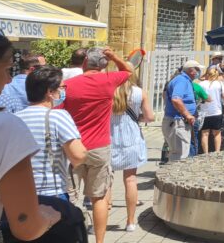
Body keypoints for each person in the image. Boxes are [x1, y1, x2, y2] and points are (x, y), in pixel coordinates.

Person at [0, 33, 62, 240]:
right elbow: (26, 225)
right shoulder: (5, 127)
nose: (9, 80)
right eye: (7, 69)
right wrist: (50, 216)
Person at [61, 47, 133, 243]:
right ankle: (99, 241)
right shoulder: (108, 80)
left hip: (73, 147)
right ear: (103, 65)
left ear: (84, 62)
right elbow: (128, 71)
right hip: (99, 147)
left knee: (70, 197)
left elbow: (58, 111)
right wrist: (114, 56)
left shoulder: (67, 85)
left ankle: (72, 238)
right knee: (99, 198)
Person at [16, 66, 88, 201]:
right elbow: (78, 155)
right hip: (52, 192)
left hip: (20, 193)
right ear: (50, 92)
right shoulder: (58, 116)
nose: (63, 92)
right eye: (61, 88)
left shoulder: (15, 118)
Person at [109, 72, 153, 232]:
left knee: (106, 182)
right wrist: (138, 118)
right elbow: (150, 117)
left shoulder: (107, 90)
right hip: (131, 139)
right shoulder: (139, 92)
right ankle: (130, 222)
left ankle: (102, 218)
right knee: (130, 180)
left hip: (109, 137)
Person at [161, 61, 202, 163]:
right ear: (191, 70)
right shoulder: (181, 81)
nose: (199, 72)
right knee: (180, 156)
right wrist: (187, 114)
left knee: (181, 153)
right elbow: (176, 99)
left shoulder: (185, 80)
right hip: (178, 122)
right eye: (198, 69)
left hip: (180, 122)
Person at [199, 67, 224, 154]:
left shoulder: (201, 84)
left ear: (207, 74)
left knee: (204, 133)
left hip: (204, 112)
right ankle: (217, 151)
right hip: (216, 111)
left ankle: (206, 153)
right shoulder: (219, 84)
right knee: (217, 133)